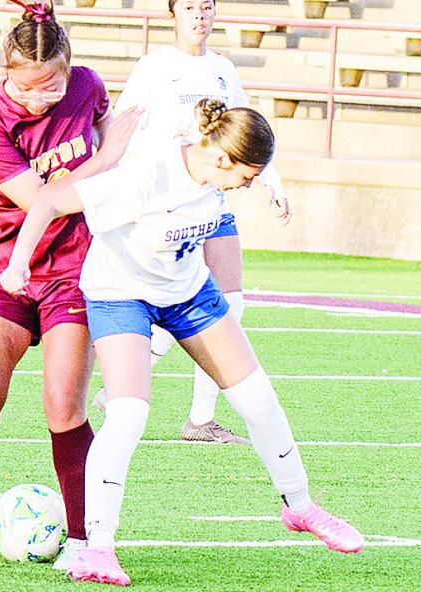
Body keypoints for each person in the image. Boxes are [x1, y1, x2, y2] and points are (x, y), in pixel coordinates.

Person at [0, 99, 364, 586]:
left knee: (259, 400)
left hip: (188, 290)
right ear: (221, 159)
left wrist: (272, 184)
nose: (248, 186)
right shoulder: (144, 177)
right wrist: (18, 263)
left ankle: (300, 508)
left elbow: (233, 163)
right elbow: (48, 201)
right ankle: (99, 549)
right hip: (121, 294)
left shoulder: (213, 161)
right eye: (247, 177)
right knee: (128, 414)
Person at [0, 0, 140, 570]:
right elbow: (38, 200)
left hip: (77, 268)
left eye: (51, 87)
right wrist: (110, 156)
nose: (39, 98)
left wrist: (116, 150)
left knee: (63, 405)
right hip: (2, 266)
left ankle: (86, 542)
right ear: (4, 72)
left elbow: (106, 141)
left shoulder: (88, 87)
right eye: (26, 88)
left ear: (71, 68)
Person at [91, 0, 291, 445]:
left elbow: (247, 132)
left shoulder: (223, 69)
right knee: (168, 298)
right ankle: (122, 385)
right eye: (189, 7)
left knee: (230, 303)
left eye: (206, 6)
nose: (199, 15)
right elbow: (123, 128)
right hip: (164, 204)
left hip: (212, 201)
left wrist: (271, 181)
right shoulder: (154, 66)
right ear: (172, 14)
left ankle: (201, 420)